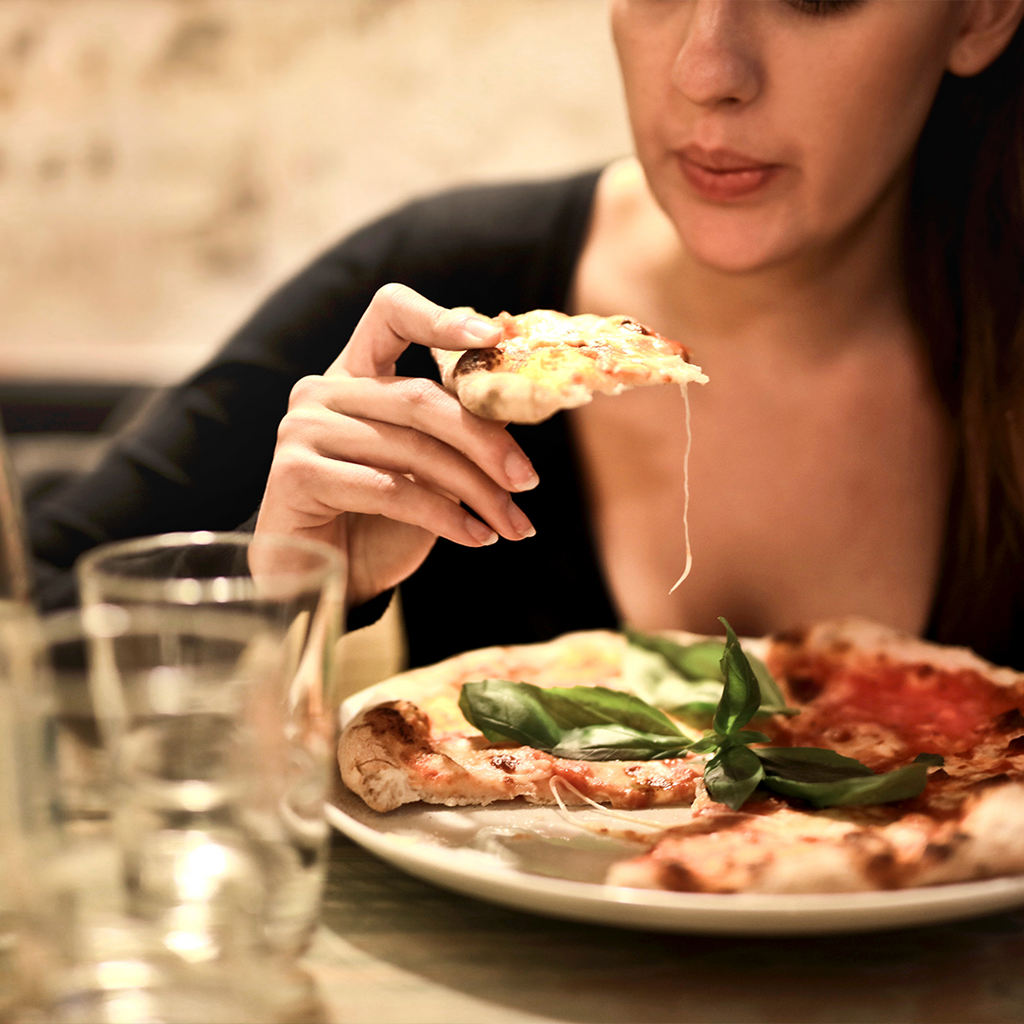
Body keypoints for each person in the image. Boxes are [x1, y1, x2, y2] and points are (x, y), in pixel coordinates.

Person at [28, 0, 1024, 671]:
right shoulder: (445, 297)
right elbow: (26, 617)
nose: (707, 70)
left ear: (979, 13)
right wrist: (271, 591)